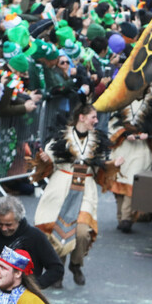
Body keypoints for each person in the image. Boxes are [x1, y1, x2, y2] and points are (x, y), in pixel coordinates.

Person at [33, 104, 117, 286]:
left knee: (81, 232)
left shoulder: (98, 141)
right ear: (82, 117)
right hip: (61, 187)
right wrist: (44, 160)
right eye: (93, 117)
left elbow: (101, 169)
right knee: (58, 229)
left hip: (85, 188)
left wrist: (113, 165)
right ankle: (58, 271)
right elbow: (46, 164)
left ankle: (76, 264)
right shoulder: (61, 137)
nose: (96, 121)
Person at [107, 90, 152, 234]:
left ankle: (127, 218)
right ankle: (121, 217)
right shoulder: (122, 101)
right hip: (122, 147)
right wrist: (125, 133)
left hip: (141, 149)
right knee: (120, 183)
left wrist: (149, 134)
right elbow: (113, 123)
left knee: (133, 182)